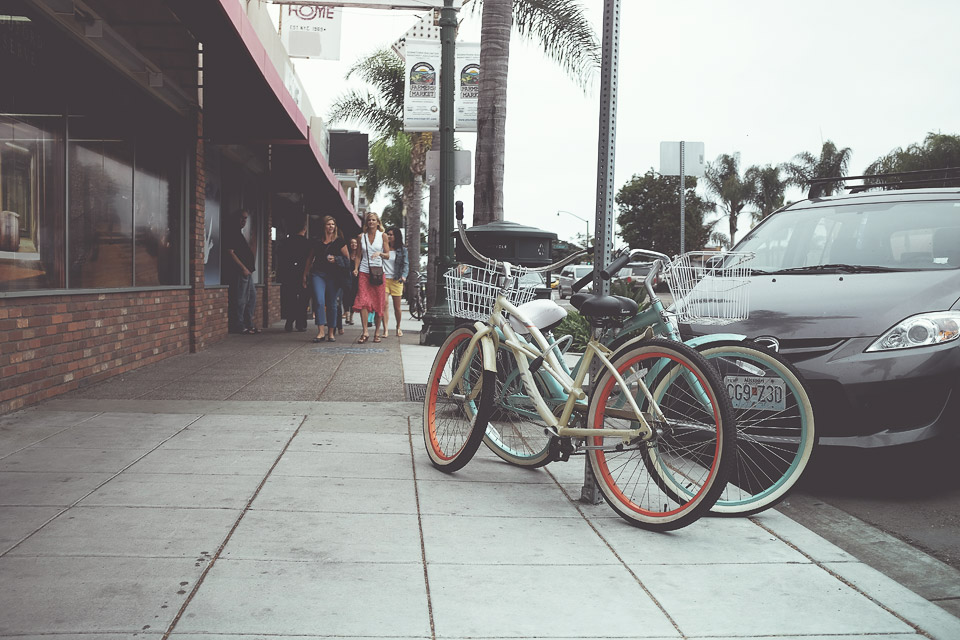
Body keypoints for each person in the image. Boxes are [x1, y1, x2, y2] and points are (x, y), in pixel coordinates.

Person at [303, 215, 350, 343]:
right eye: (328, 224)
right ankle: (320, 332)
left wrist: (336, 259)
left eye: (333, 224)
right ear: (324, 226)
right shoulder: (317, 241)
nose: (331, 226)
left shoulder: (339, 241)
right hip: (318, 274)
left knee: (332, 304)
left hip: (334, 276)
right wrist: (305, 274)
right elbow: (309, 258)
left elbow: (347, 259)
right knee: (319, 301)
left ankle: (331, 332)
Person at [353, 211, 390, 344]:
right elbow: (358, 255)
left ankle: (377, 332)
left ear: (378, 222)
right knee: (363, 301)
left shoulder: (383, 236)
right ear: (366, 223)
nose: (371, 222)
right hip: (364, 272)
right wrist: (356, 268)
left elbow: (388, 255)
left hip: (379, 273)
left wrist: (380, 253)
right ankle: (365, 332)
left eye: (374, 220)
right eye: (369, 220)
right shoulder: (361, 237)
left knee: (379, 302)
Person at [224, 209, 259, 334]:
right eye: (242, 218)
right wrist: (242, 268)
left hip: (247, 272)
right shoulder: (232, 233)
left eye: (245, 219)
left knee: (252, 298)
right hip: (240, 272)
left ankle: (249, 324)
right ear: (236, 218)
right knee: (241, 299)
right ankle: (238, 325)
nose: (244, 221)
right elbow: (230, 252)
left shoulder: (239, 234)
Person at [277, 213, 311, 332]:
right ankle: (301, 323)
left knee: (290, 298)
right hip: (302, 273)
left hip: (288, 274)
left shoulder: (285, 242)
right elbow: (310, 259)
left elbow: (280, 259)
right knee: (303, 299)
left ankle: (289, 321)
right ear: (304, 229)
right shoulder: (307, 243)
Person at [382, 226, 409, 338]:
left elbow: (406, 264)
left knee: (397, 307)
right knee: (384, 304)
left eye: (391, 234)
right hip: (384, 279)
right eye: (387, 234)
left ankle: (398, 327)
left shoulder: (403, 250)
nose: (389, 236)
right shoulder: (383, 248)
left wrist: (404, 276)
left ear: (396, 236)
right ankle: (386, 329)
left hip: (396, 280)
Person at [342, 236, 360, 326]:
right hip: (346, 277)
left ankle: (351, 316)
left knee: (353, 296)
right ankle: (347, 313)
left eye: (355, 243)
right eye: (352, 243)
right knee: (346, 295)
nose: (354, 244)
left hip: (356, 278)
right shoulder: (346, 254)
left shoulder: (360, 255)